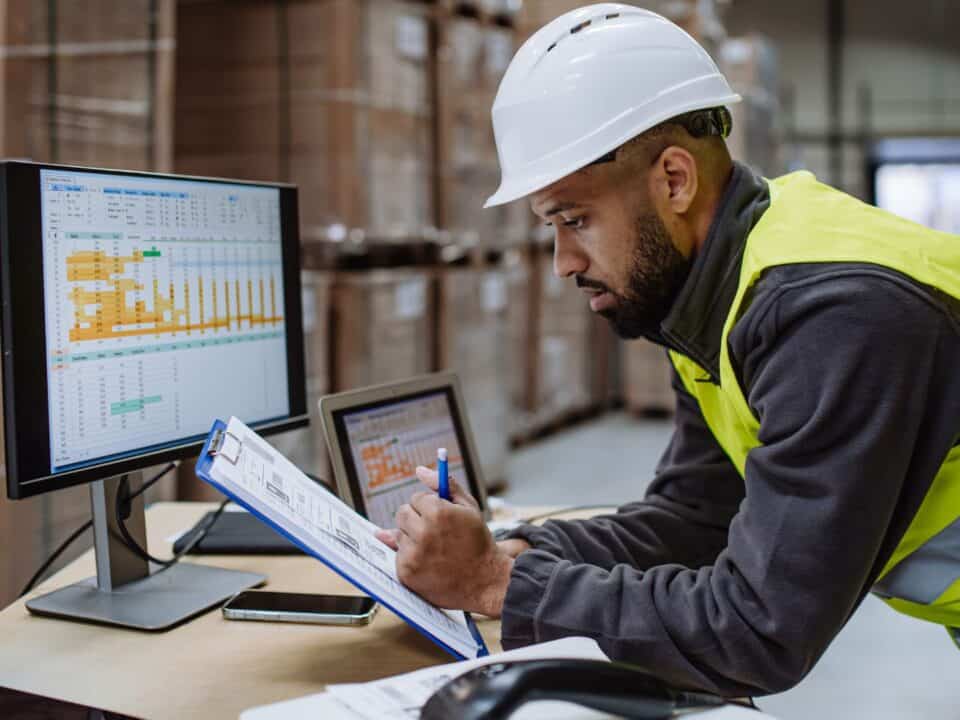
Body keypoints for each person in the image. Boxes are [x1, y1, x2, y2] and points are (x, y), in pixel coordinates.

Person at [375, 3, 960, 696]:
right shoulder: (717, 293)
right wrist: (522, 549)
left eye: (575, 219)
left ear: (674, 180)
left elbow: (759, 628)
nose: (562, 262)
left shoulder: (834, 316)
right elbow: (699, 521)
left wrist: (496, 583)